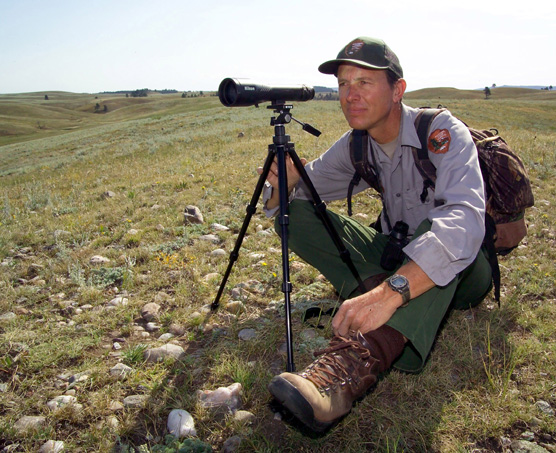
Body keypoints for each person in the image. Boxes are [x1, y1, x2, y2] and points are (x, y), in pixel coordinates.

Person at [260, 37, 494, 432]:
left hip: (468, 270)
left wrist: (392, 292)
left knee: (433, 234)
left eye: (364, 82)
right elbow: (304, 192)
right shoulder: (356, 144)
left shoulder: (439, 131)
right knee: (294, 214)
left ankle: (352, 366)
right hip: (393, 254)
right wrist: (284, 180)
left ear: (397, 90)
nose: (350, 95)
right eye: (343, 84)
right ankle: (378, 300)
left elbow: (464, 221)